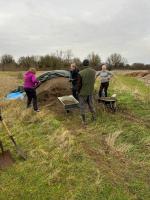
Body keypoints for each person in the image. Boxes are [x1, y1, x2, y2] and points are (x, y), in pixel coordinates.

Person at [78, 59, 96, 124]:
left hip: (82, 93)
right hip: (90, 92)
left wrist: (78, 91)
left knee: (82, 106)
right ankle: (94, 118)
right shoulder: (94, 71)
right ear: (88, 64)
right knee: (91, 105)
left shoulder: (80, 73)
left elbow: (79, 84)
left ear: (83, 64)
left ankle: (84, 121)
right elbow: (93, 81)